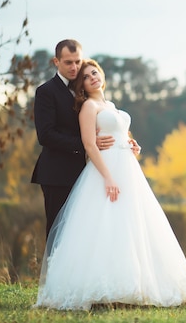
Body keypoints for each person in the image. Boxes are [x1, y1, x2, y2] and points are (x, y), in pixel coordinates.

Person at [34, 59, 186, 310]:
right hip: (106, 170)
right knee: (105, 225)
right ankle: (103, 288)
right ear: (82, 86)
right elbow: (89, 144)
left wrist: (131, 144)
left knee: (132, 223)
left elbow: (119, 134)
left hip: (128, 168)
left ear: (102, 75)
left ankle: (137, 283)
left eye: (95, 73)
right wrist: (107, 177)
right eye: (86, 77)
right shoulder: (88, 107)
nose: (92, 77)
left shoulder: (111, 106)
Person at [31, 39, 136, 238]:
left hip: (86, 172)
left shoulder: (86, 91)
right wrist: (87, 144)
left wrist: (124, 140)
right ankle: (56, 269)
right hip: (57, 173)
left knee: (85, 233)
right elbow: (45, 135)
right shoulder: (46, 92)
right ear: (56, 62)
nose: (74, 67)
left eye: (77, 61)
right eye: (68, 62)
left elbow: (101, 123)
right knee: (59, 232)